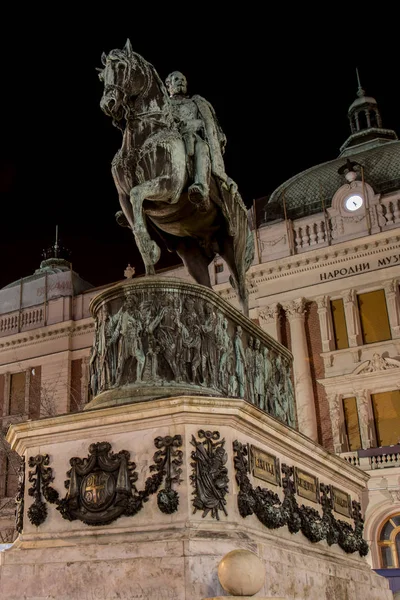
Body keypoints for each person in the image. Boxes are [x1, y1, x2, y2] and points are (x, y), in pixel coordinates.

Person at [165, 71, 237, 212]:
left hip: (191, 137)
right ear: (169, 85)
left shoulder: (194, 103)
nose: (181, 82)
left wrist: (193, 124)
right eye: (177, 79)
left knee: (202, 147)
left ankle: (200, 186)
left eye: (184, 80)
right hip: (169, 138)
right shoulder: (163, 104)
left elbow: (206, 123)